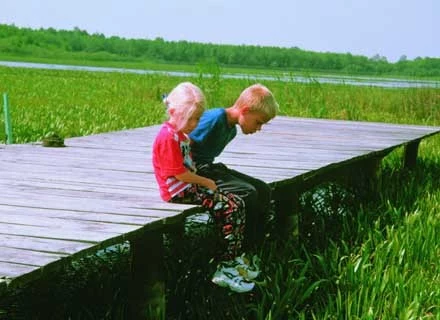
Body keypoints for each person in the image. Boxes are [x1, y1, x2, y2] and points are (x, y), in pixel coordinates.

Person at [152, 82, 259, 293]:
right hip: (177, 191)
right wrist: (206, 182)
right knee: (231, 207)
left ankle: (231, 260)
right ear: (174, 112)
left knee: (235, 203)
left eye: (197, 119)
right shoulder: (167, 137)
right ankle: (225, 265)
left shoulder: (180, 135)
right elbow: (179, 173)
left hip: (186, 186)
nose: (194, 124)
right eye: (190, 118)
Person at [189, 83, 279, 249]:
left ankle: (256, 246)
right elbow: (183, 140)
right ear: (245, 110)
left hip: (208, 167)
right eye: (258, 122)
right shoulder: (215, 119)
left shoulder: (231, 130)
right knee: (247, 192)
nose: (258, 128)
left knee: (263, 190)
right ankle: (240, 249)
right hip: (193, 171)